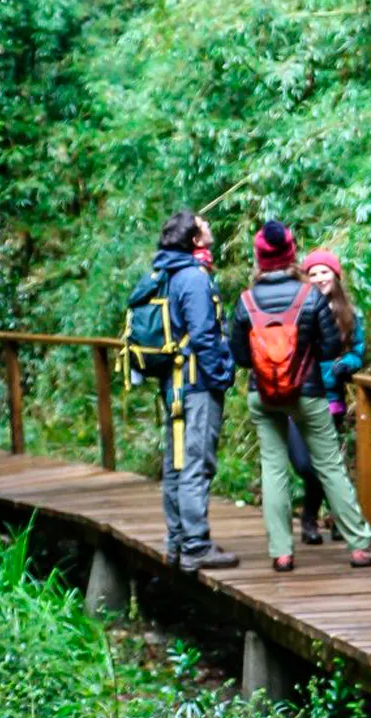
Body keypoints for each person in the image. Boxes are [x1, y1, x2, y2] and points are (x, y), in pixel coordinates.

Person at [229, 221, 371, 572]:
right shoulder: (310, 297)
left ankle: (281, 552)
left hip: (262, 394)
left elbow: (241, 357)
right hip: (307, 393)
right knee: (330, 466)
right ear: (292, 256)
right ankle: (360, 546)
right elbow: (330, 347)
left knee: (273, 468)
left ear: (260, 258)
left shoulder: (245, 302)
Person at [147, 210, 238, 571]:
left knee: (177, 461)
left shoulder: (163, 272)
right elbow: (203, 335)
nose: (210, 226)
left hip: (174, 381)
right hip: (196, 382)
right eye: (204, 225)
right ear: (196, 239)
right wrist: (223, 373)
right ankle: (196, 545)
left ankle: (177, 541)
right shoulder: (193, 278)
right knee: (196, 461)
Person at [292, 247, 366, 544]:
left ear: (336, 275)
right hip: (299, 396)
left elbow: (358, 352)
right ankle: (315, 516)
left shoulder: (350, 314)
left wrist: (346, 365)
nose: (320, 277)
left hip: (332, 399)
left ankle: (323, 520)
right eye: (313, 273)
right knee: (305, 465)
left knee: (329, 462)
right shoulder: (298, 310)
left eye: (324, 272)